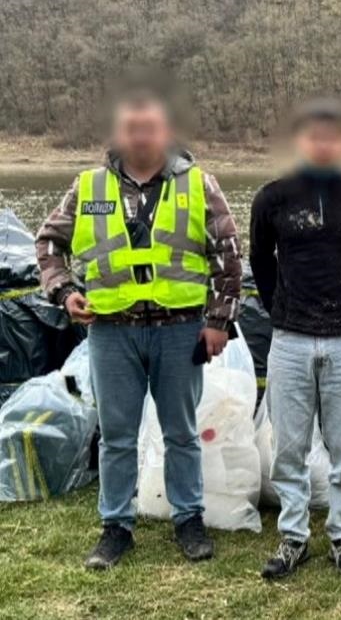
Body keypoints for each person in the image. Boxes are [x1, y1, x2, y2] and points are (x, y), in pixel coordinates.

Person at [35, 91, 241, 570]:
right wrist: (64, 292)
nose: (141, 136)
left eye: (150, 127)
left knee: (181, 433)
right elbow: (48, 244)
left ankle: (189, 520)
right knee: (117, 436)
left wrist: (219, 322)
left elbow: (228, 255)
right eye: (132, 128)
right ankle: (116, 527)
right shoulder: (87, 187)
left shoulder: (199, 184)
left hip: (180, 330)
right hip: (111, 333)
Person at [250, 100, 341, 579]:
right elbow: (260, 261)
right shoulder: (272, 199)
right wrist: (280, 311)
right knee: (289, 448)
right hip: (289, 340)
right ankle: (293, 536)